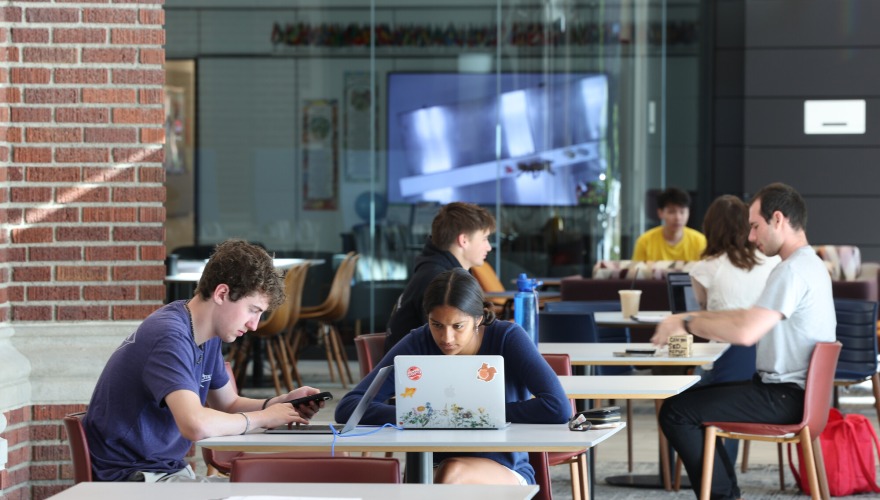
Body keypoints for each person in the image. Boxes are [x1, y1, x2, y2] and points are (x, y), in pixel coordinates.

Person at [84, 239, 327, 482]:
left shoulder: (205, 334)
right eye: (253, 310)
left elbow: (228, 404)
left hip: (161, 472)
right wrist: (264, 418)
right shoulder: (169, 336)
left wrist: (279, 403)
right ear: (222, 293)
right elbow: (195, 425)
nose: (254, 325)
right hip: (131, 479)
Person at [652, 183, 835, 500]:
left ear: (777, 219)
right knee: (690, 402)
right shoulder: (811, 265)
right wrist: (689, 319)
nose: (750, 236)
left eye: (755, 226)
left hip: (784, 397)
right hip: (800, 394)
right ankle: (726, 493)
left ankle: (724, 496)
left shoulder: (790, 271)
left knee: (676, 412)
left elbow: (746, 332)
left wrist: (684, 320)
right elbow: (748, 316)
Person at [338, 268, 569, 485]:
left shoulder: (508, 338)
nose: (445, 337)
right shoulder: (419, 341)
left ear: (478, 319)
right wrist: (420, 415)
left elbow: (558, 407)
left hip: (504, 468)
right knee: (438, 474)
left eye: (458, 326)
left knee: (450, 473)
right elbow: (349, 407)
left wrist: (480, 415)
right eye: (436, 324)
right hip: (430, 467)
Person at [686, 194, 781, 463]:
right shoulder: (774, 264)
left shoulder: (704, 268)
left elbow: (699, 323)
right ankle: (718, 468)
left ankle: (688, 475)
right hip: (770, 369)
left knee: (676, 399)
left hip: (725, 369)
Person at [384, 201, 496, 353]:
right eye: (484, 238)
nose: (488, 246)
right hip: (416, 371)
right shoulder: (438, 281)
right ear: (463, 240)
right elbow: (446, 346)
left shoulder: (438, 272)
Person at [632, 187, 706, 261]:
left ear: (689, 213)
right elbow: (637, 270)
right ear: (660, 213)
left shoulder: (700, 242)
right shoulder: (645, 242)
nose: (678, 218)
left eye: (682, 212)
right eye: (671, 212)